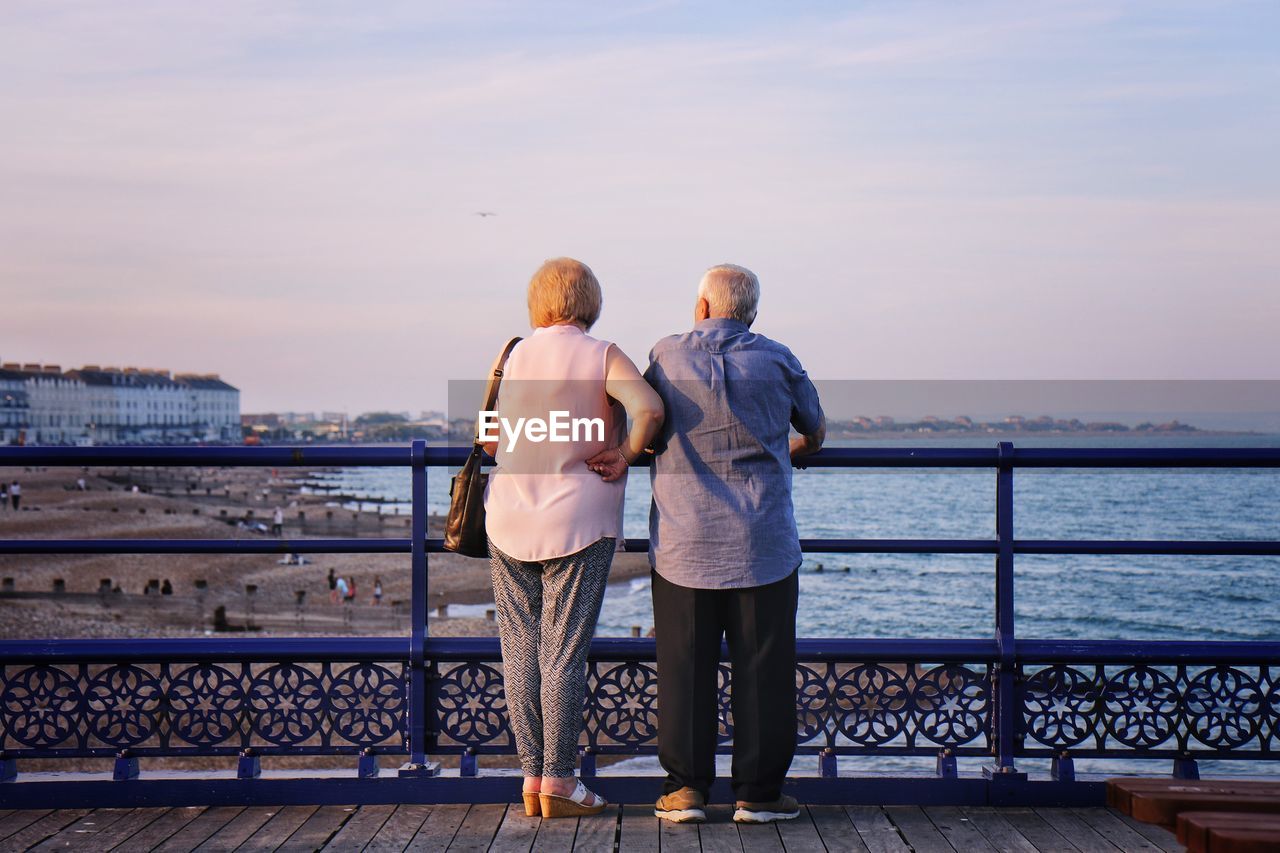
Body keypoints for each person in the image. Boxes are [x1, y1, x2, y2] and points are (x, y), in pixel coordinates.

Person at [483, 257, 664, 819]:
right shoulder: (600, 354)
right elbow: (650, 408)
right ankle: (560, 781)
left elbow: (489, 442)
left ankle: (532, 781)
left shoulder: (511, 356)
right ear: (590, 301)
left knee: (519, 651)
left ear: (537, 302)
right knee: (562, 650)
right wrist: (625, 452)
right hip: (579, 521)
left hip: (508, 519)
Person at [646, 264, 825, 825]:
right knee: (764, 667)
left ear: (701, 307)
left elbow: (644, 422)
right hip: (761, 538)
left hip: (685, 538)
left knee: (684, 666)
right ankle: (759, 794)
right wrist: (789, 448)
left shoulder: (667, 356)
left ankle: (685, 792)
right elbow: (815, 427)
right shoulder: (776, 358)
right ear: (751, 312)